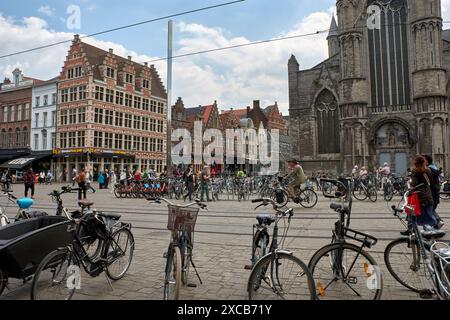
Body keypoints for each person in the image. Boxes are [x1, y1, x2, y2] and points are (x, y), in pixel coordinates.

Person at [409, 155, 438, 231]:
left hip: (420, 196)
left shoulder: (415, 171)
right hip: (428, 195)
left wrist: (410, 183)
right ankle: (430, 229)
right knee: (428, 214)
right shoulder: (428, 170)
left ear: (416, 163)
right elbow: (431, 182)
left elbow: (414, 183)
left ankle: (415, 232)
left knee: (415, 215)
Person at [424, 155, 444, 229]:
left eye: (424, 160)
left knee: (428, 210)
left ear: (427, 161)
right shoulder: (434, 167)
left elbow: (427, 182)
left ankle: (436, 223)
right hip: (435, 192)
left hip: (431, 193)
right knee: (431, 210)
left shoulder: (429, 169)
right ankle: (437, 223)